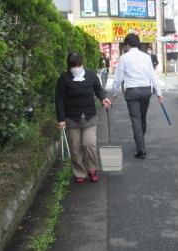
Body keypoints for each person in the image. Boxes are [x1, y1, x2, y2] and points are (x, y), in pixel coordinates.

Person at [55, 52, 112, 184]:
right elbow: (59, 99)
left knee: (89, 143)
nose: (76, 67)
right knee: (75, 147)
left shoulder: (91, 75)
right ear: (69, 66)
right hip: (71, 117)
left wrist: (103, 98)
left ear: (82, 63)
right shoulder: (63, 79)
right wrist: (61, 119)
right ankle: (79, 172)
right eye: (73, 65)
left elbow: (99, 90)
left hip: (89, 115)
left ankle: (92, 169)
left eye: (78, 65)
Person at [112, 33, 164, 159]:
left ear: (127, 44)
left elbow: (118, 77)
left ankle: (141, 148)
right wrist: (159, 93)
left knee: (136, 119)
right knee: (142, 117)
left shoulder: (124, 57)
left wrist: (114, 93)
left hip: (132, 92)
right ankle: (140, 139)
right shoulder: (146, 57)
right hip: (146, 91)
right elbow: (153, 75)